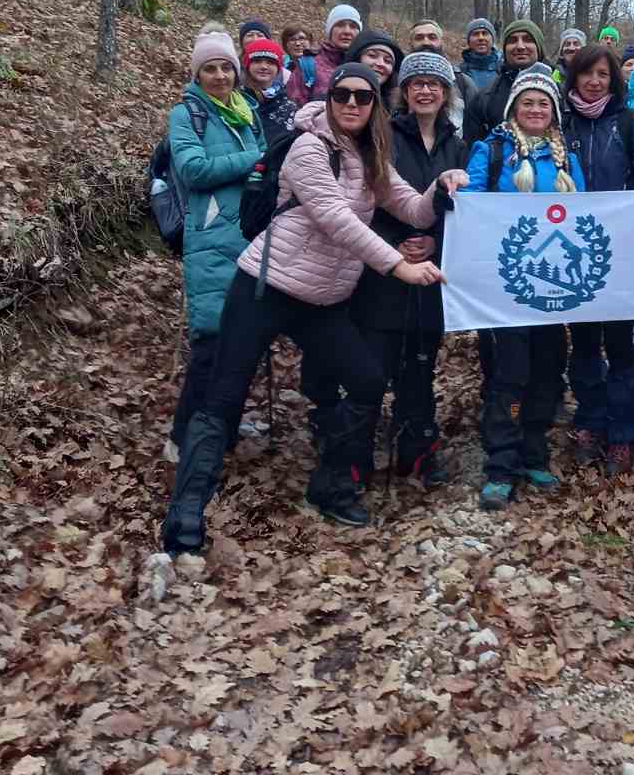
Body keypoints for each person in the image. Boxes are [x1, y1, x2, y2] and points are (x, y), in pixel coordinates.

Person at [160, 64, 465, 551]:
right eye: (341, 94)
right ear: (328, 100)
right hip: (266, 288)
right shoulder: (307, 147)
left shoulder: (372, 155)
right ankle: (186, 515)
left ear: (375, 107)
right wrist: (397, 266)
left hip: (322, 300)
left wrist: (441, 184)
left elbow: (411, 208)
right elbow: (334, 218)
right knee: (224, 395)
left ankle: (331, 486)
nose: (351, 104)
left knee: (366, 381)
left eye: (363, 98)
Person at [459, 65, 586, 510]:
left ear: (553, 111)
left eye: (543, 103)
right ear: (514, 107)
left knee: (548, 368)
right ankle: (500, 463)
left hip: (552, 288)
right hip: (505, 284)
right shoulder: (491, 149)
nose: (535, 109)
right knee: (509, 372)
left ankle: (534, 451)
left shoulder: (566, 157)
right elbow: (470, 201)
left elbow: (586, 214)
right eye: (527, 102)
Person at [352, 51, 468, 490]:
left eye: (433, 84)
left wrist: (437, 241)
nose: (425, 90)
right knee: (374, 364)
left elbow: (465, 211)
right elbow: (364, 198)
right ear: (404, 90)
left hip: (433, 270)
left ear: (445, 93)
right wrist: (391, 244)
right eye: (416, 82)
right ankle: (357, 457)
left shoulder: (457, 144)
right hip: (383, 267)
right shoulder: (381, 135)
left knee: (421, 364)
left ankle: (416, 451)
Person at [560, 44, 634, 475]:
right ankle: (589, 419)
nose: (594, 81)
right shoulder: (560, 121)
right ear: (575, 77)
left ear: (613, 80)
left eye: (603, 74)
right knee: (585, 343)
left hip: (619, 247)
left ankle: (625, 430)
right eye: (587, 73)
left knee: (622, 345)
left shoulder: (629, 121)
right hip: (572, 249)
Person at [165, 31, 265, 458]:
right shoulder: (186, 114)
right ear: (197, 73)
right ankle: (181, 438)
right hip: (210, 236)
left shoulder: (245, 110)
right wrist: (256, 160)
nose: (220, 75)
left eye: (226, 67)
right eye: (210, 68)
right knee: (210, 341)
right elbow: (193, 169)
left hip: (249, 231)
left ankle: (220, 426)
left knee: (240, 341)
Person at [463, 19, 547, 146]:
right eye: (512, 41)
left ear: (539, 47)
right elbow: (472, 150)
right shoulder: (484, 99)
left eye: (527, 39)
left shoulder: (561, 95)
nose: (520, 46)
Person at [288, 3, 363, 102]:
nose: (347, 31)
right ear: (330, 30)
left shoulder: (366, 64)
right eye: (340, 25)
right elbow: (294, 109)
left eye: (353, 26)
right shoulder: (309, 65)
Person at [240, 38, 300, 146]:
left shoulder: (289, 105)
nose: (264, 66)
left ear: (278, 68)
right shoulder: (237, 101)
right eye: (257, 61)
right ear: (247, 66)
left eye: (271, 62)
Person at [346, 27, 403, 110]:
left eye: (387, 61)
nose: (380, 64)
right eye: (372, 55)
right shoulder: (335, 97)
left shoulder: (397, 109)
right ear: (357, 58)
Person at [459, 18, 500, 93]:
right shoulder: (459, 73)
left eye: (485, 33)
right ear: (468, 40)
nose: (481, 38)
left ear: (492, 39)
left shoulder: (504, 69)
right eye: (475, 34)